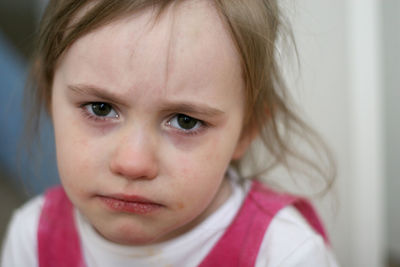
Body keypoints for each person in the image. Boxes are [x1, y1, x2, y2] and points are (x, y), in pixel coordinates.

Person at [1, 0, 339, 266]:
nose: (133, 163)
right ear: (49, 99)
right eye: (101, 108)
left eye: (185, 121)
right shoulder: (31, 237)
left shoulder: (283, 254)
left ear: (246, 130)